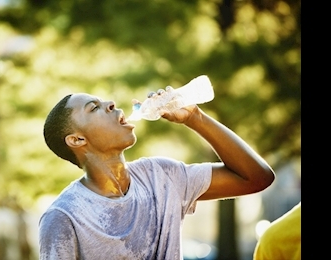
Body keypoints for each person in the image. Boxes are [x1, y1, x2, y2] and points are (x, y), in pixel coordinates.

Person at [39, 89, 275, 259]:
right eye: (94, 107)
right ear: (77, 139)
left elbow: (256, 177)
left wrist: (195, 118)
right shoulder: (64, 216)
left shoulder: (161, 176)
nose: (111, 103)